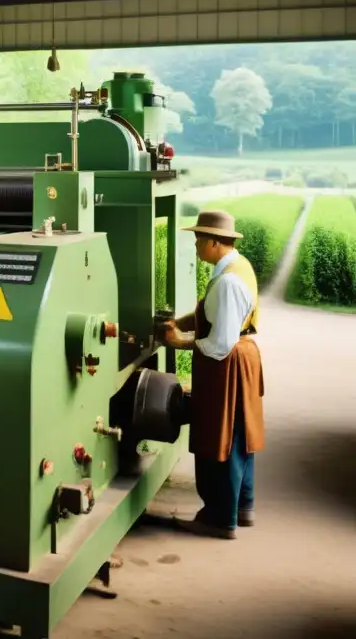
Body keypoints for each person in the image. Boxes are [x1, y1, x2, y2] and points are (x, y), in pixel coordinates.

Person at [161, 210, 265, 540]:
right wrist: (179, 321)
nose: (195, 246)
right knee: (239, 436)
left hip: (228, 364)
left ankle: (219, 520)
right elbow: (211, 312)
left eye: (198, 240)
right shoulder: (237, 266)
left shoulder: (228, 282)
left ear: (214, 243)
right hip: (242, 358)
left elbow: (220, 342)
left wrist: (181, 341)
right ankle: (242, 508)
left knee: (221, 440)